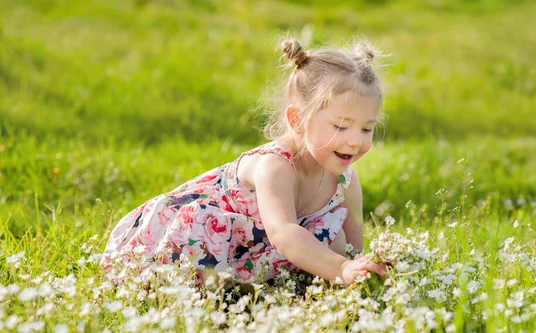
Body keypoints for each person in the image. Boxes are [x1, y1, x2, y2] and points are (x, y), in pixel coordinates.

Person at [103, 38, 387, 287]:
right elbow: (283, 233)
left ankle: (276, 286)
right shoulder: (275, 166)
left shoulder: (345, 182)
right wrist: (341, 269)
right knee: (184, 278)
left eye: (366, 129)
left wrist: (361, 270)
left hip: (256, 256)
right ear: (297, 120)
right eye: (340, 127)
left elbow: (352, 250)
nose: (355, 141)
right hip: (202, 241)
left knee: (332, 233)